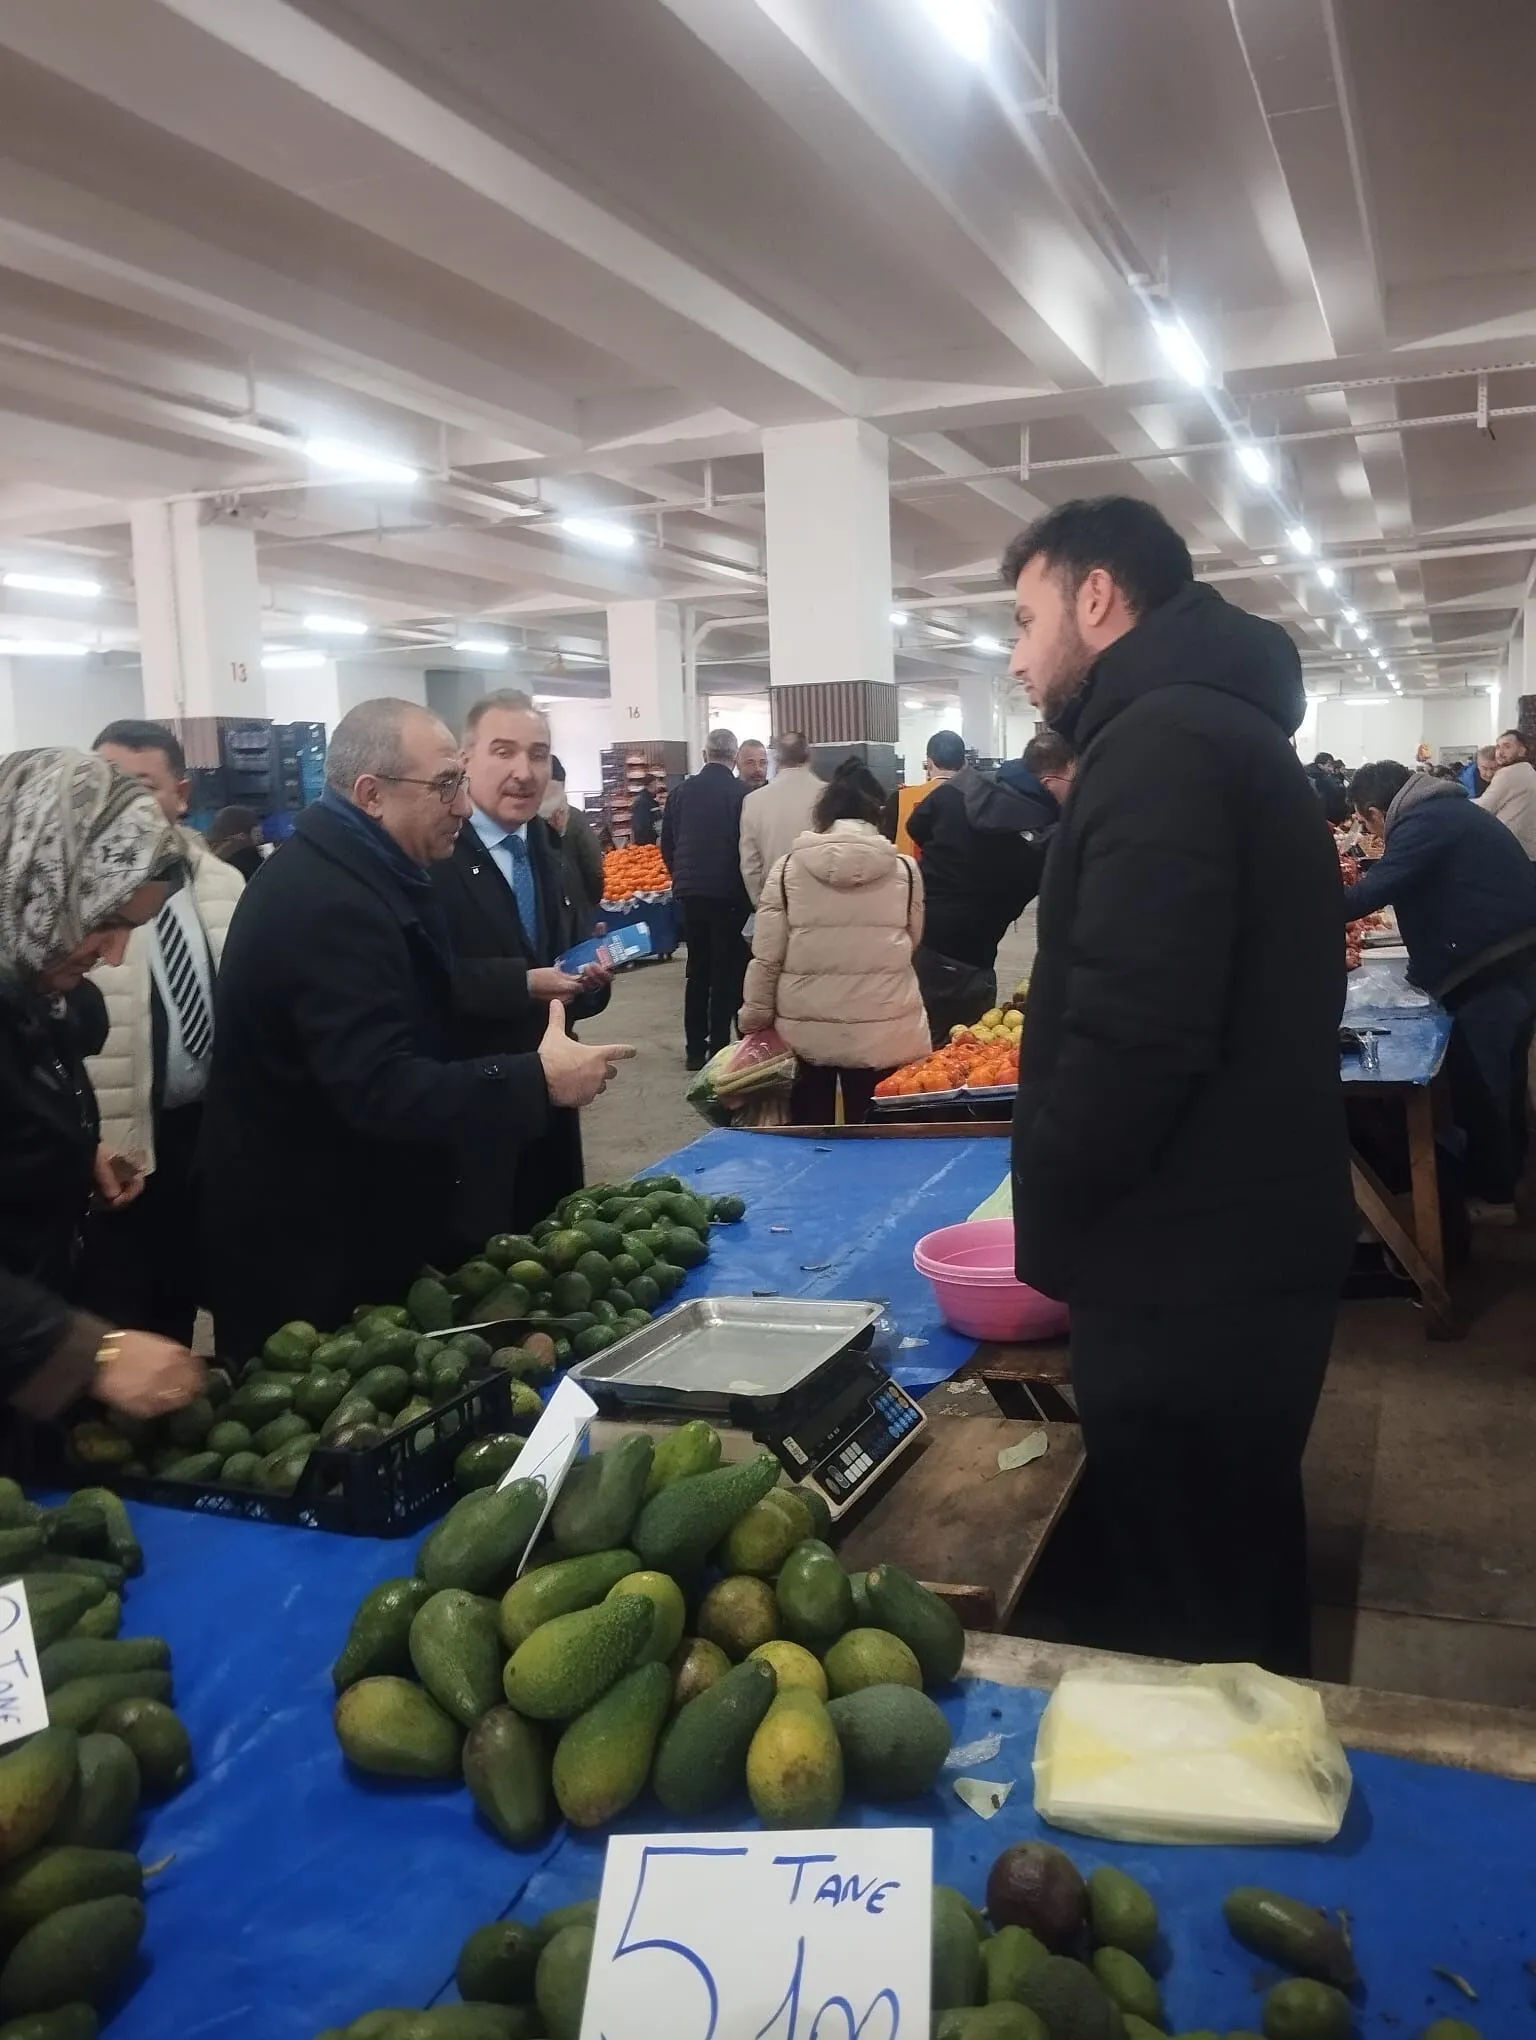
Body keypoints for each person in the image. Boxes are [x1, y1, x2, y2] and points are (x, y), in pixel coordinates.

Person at [1003, 495, 1354, 1675]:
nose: (1015, 655)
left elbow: (1138, 1032)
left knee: (1191, 1606)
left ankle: (1219, 1836)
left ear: (1096, 598)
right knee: (1231, 1566)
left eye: (1024, 618)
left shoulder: (1162, 746)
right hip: (1231, 1243)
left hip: (1189, 1266)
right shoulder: (1211, 728)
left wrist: (1045, 1187)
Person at [199, 699, 632, 1359]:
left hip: (353, 1219)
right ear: (370, 794)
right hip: (309, 1254)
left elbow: (423, 993)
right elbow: (380, 1087)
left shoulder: (368, 871)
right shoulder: (333, 903)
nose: (462, 806)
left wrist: (523, 987)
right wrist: (534, 1078)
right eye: (445, 787)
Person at [0, 749, 205, 1428]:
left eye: (133, 930)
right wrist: (90, 1353)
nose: (114, 955)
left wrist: (69, 1151)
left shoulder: (39, 995)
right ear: (41, 881)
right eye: (105, 921)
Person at [78, 721, 245, 1345]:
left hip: (209, 1129)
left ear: (180, 793)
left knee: (206, 1279)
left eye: (138, 786)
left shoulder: (225, 886)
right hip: (118, 1140)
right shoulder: (79, 899)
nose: (117, 803)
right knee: (124, 1303)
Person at [433, 693, 616, 1240]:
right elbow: (424, 980)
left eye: (538, 755)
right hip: (472, 1106)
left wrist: (588, 981)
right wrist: (521, 985)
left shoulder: (548, 847)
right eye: (504, 752)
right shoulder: (434, 856)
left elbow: (569, 958)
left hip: (552, 1105)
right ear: (465, 760)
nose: (523, 772)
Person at [1345, 760, 1536, 1221]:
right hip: (1509, 953)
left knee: (1484, 1080)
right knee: (1502, 1073)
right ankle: (1506, 1176)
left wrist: (1295, 904)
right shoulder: (1444, 810)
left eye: (1367, 821)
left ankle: (1495, 1197)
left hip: (1491, 964)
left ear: (1375, 811)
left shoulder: (1424, 821)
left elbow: (1373, 891)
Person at [740, 761, 929, 1125]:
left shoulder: (787, 869)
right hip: (885, 1027)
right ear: (875, 816)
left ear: (822, 818)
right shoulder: (905, 869)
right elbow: (912, 938)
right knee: (877, 1139)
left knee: (812, 1137)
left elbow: (767, 957)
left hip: (805, 1033)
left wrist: (755, 1017)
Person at [906, 732, 1071, 1043]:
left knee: (928, 1043)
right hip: (969, 954)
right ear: (1050, 780)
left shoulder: (966, 786)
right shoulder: (1047, 835)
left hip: (921, 930)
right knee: (962, 1056)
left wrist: (948, 862)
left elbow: (916, 824)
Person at [661, 729, 751, 1071]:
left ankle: (694, 1051)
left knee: (697, 971)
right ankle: (718, 1048)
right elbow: (746, 846)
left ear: (704, 754)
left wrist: (682, 876)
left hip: (691, 895)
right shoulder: (742, 794)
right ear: (735, 757)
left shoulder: (680, 792)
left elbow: (666, 843)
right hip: (729, 894)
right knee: (726, 972)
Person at [739, 731, 822, 905]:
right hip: (820, 899)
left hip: (776, 898)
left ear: (776, 759)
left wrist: (762, 903)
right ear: (810, 756)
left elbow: (750, 864)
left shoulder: (754, 801)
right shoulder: (829, 795)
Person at [541, 755, 605, 935]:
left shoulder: (522, 822)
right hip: (575, 911)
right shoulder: (575, 819)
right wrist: (591, 901)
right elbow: (594, 868)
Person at [880, 730, 964, 853]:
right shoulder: (978, 799)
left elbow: (885, 849)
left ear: (929, 764)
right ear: (963, 764)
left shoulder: (900, 799)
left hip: (912, 871)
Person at [1477, 744, 1536, 858]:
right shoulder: (1469, 781)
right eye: (1484, 768)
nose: (1488, 774)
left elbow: (1483, 807)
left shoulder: (1507, 779)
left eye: (1493, 768)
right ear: (1477, 765)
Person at [206, 806, 266, 882]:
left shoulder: (209, 857)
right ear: (242, 834)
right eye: (255, 825)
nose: (260, 829)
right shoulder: (248, 858)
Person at [629, 772, 665, 849]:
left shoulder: (652, 801)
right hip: (646, 845)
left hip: (652, 844)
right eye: (657, 783)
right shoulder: (642, 802)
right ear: (652, 784)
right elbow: (640, 827)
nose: (658, 786)